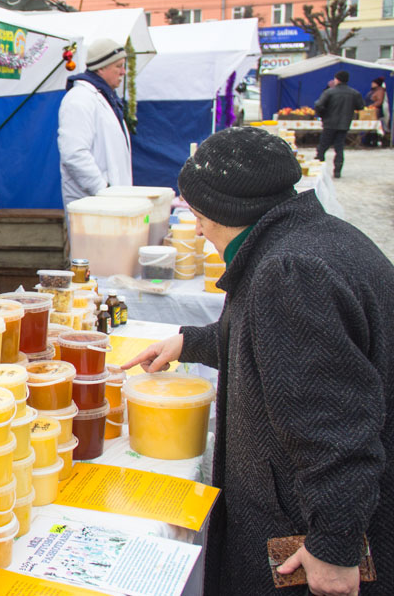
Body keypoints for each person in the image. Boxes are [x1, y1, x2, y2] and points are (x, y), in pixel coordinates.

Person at [123, 127, 393, 596]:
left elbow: (334, 428)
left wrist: (334, 545)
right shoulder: (312, 236)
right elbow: (282, 349)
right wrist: (193, 342)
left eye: (197, 213)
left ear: (221, 212)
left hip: (300, 533)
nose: (198, 228)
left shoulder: (290, 273)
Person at [56, 37, 132, 207]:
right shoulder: (79, 99)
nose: (123, 72)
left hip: (112, 202)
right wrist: (103, 190)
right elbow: (74, 154)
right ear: (101, 68)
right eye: (118, 66)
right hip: (94, 206)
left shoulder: (106, 98)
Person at [314, 70, 365, 178]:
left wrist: (322, 115)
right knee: (339, 147)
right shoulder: (354, 93)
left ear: (337, 79)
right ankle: (337, 171)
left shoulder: (329, 92)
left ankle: (318, 169)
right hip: (344, 124)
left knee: (322, 147)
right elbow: (360, 106)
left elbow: (319, 105)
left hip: (329, 123)